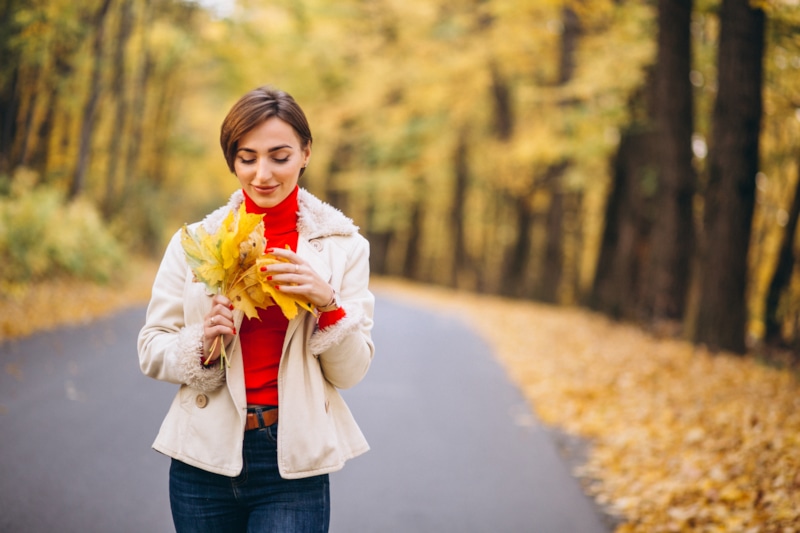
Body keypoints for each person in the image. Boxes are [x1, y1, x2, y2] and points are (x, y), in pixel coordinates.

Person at [137, 86, 375, 532]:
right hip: (202, 459)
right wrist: (202, 344)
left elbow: (351, 372)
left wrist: (328, 304)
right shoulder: (197, 242)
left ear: (305, 153)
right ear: (233, 161)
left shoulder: (343, 249)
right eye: (247, 158)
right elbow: (152, 347)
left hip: (291, 464)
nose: (262, 174)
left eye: (279, 156)